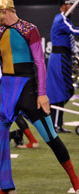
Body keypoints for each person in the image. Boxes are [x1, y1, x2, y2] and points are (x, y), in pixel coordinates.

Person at [0, 0, 79, 194]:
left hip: (29, 90)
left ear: (4, 11)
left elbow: (39, 62)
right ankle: (7, 187)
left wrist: (42, 94)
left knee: (50, 137)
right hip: (5, 92)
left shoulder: (30, 29)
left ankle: (77, 184)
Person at [47, 0, 79, 133]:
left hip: (64, 57)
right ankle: (55, 124)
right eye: (70, 4)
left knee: (68, 90)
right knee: (59, 91)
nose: (73, 8)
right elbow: (73, 31)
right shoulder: (60, 18)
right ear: (64, 5)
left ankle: (57, 122)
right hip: (59, 58)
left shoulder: (65, 19)